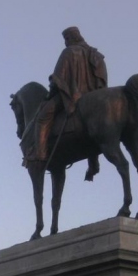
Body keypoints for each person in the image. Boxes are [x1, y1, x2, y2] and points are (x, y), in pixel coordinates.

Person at [33, 27, 108, 171]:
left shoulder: (68, 52)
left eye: (66, 39)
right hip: (93, 97)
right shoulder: (95, 53)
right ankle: (94, 162)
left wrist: (49, 95)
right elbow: (102, 77)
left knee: (42, 117)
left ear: (70, 38)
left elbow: (58, 79)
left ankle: (40, 155)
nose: (65, 43)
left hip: (73, 96)